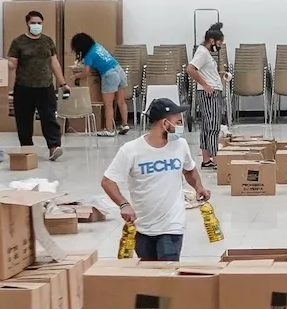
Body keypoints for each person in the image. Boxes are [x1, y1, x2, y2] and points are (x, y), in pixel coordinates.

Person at [103, 98, 209, 261]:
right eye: (178, 122)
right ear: (165, 123)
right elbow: (108, 181)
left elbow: (189, 170)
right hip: (143, 226)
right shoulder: (131, 150)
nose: (181, 126)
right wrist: (124, 205)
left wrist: (198, 187)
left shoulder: (180, 145)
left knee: (167, 275)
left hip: (172, 225)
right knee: (149, 275)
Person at [8, 11, 69, 161]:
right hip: (24, 87)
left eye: (39, 23)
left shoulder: (47, 41)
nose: (36, 26)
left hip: (45, 86)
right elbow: (12, 65)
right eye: (33, 23)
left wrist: (63, 83)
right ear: (27, 24)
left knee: (49, 117)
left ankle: (54, 147)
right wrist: (0, 63)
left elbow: (54, 63)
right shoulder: (18, 42)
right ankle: (27, 149)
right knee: (24, 120)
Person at [186, 23, 230, 167]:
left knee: (207, 126)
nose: (219, 46)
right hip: (210, 94)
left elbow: (204, 72)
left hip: (212, 91)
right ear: (212, 40)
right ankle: (216, 159)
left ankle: (206, 159)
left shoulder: (205, 53)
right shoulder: (203, 52)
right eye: (219, 43)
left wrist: (219, 75)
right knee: (213, 127)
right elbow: (190, 69)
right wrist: (205, 85)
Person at [70, 33, 130, 136]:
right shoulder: (97, 46)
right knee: (121, 101)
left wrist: (75, 76)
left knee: (108, 104)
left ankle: (109, 130)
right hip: (119, 70)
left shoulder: (89, 55)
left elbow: (85, 73)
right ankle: (125, 125)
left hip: (109, 75)